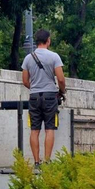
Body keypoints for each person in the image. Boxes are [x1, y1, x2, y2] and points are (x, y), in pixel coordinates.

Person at [21, 29, 66, 169]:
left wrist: (35, 88)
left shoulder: (28, 58)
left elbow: (24, 81)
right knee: (49, 129)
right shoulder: (54, 57)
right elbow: (61, 79)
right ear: (48, 41)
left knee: (34, 130)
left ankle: (36, 163)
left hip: (34, 97)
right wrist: (61, 91)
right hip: (50, 97)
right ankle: (46, 162)